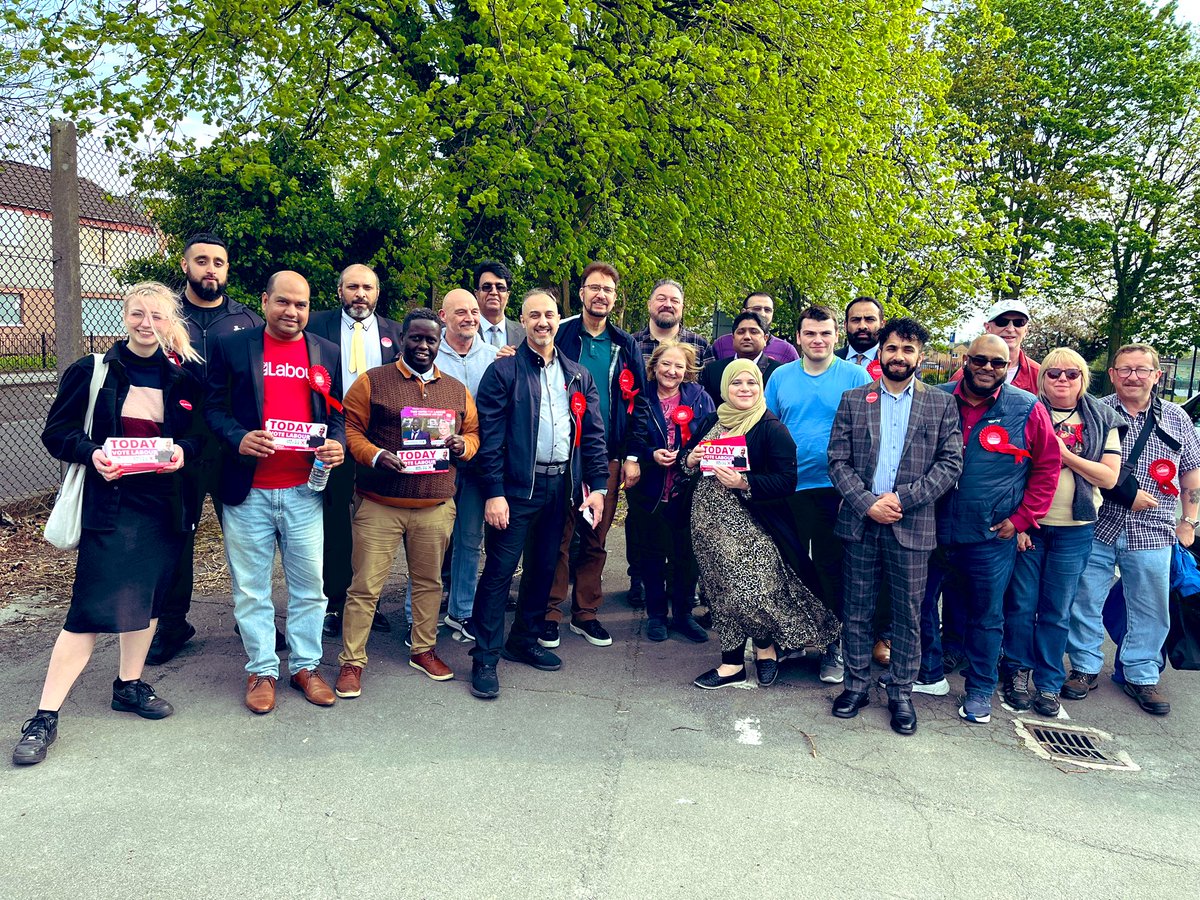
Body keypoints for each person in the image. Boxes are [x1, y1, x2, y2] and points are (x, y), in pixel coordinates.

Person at [13, 283, 202, 766]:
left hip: (164, 508)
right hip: (111, 506)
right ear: (124, 317)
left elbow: (201, 437)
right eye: (137, 314)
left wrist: (183, 452)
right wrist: (93, 454)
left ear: (169, 322)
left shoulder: (182, 377)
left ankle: (129, 685)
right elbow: (57, 432)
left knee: (149, 599)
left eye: (156, 316)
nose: (146, 323)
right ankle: (44, 715)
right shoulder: (92, 370)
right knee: (88, 612)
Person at [205, 271, 346, 714]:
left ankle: (305, 666)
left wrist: (337, 442)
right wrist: (238, 437)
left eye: (301, 305)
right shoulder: (231, 347)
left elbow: (337, 412)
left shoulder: (326, 352)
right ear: (264, 301)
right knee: (252, 589)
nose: (292, 312)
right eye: (283, 302)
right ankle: (262, 669)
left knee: (310, 589)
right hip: (249, 492)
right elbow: (212, 408)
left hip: (305, 490)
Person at [467, 289, 608, 700]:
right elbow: (490, 438)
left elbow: (593, 437)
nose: (543, 322)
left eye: (549, 314)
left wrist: (597, 487)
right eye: (534, 315)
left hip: (559, 487)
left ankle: (522, 640)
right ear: (523, 320)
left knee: (544, 568)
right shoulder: (504, 372)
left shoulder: (577, 374)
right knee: (498, 574)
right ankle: (485, 657)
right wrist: (494, 493)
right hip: (514, 490)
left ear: (559, 318)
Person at [333, 309, 480, 698]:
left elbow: (473, 432)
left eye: (431, 340)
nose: (423, 346)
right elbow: (350, 429)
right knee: (364, 587)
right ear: (402, 338)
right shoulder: (372, 382)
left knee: (428, 584)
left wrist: (463, 446)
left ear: (440, 342)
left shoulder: (454, 389)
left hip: (434, 506)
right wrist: (376, 455)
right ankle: (351, 662)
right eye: (416, 338)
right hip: (380, 503)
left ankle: (423, 650)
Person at [827, 318, 962, 735]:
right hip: (861, 522)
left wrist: (901, 500)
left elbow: (950, 464)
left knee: (908, 614)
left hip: (912, 523)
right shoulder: (854, 399)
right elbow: (837, 461)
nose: (899, 356)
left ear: (920, 356)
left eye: (908, 350)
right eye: (892, 348)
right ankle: (855, 685)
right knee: (858, 610)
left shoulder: (940, 404)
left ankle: (901, 691)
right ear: (879, 353)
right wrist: (868, 504)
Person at [923, 334, 1059, 725]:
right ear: (966, 360)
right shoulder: (936, 397)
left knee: (986, 615)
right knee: (920, 603)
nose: (987, 368)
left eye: (997, 363)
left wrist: (1021, 519)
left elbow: (1047, 467)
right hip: (932, 527)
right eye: (980, 360)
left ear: (1008, 366)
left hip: (988, 535)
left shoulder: (1026, 407)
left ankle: (980, 688)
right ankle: (930, 672)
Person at [680, 360, 840, 689]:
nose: (744, 389)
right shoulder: (714, 419)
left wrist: (743, 483)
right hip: (707, 528)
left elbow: (786, 481)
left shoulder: (770, 428)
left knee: (751, 595)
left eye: (751, 383)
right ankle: (732, 664)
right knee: (720, 594)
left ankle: (766, 647)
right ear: (725, 388)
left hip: (751, 527)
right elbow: (687, 461)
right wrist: (690, 459)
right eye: (736, 383)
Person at [1064, 344, 1200, 716]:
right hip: (1097, 523)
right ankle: (1084, 667)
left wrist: (1189, 521)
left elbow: (1190, 471)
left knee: (1151, 606)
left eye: (1141, 370)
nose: (1132, 376)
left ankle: (1141, 674)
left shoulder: (1177, 419)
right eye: (1124, 369)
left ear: (1157, 375)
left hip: (1154, 529)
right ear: (1112, 374)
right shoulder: (1095, 411)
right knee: (1085, 598)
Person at [149, 232, 263, 665]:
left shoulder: (248, 321)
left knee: (247, 537)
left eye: (218, 262)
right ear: (185, 266)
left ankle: (250, 618)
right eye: (201, 261)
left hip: (233, 445)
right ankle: (173, 623)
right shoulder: (164, 318)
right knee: (179, 535)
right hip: (181, 448)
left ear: (227, 269)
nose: (210, 269)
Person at [998, 349, 1125, 717]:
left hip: (1075, 530)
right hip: (1031, 527)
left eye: (1071, 374)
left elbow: (1109, 477)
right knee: (1021, 605)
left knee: (1057, 610)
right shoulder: (1023, 410)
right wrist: (1019, 520)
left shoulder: (1102, 418)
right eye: (1054, 374)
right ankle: (1018, 673)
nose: (1062, 381)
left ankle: (1049, 682)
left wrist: (1062, 455)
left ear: (1083, 378)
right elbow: (1007, 473)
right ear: (1042, 379)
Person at [540, 262, 648, 649]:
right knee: (559, 535)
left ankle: (585, 614)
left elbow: (641, 403)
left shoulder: (625, 344)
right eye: (594, 288)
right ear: (582, 293)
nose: (601, 295)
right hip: (563, 449)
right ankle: (550, 613)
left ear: (615, 299)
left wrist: (633, 453)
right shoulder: (562, 333)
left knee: (595, 536)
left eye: (608, 290)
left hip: (608, 452)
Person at [764, 305, 871, 682]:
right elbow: (767, 427)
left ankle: (833, 647)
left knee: (831, 569)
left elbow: (867, 436)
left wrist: (857, 488)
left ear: (836, 336)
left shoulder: (855, 375)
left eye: (825, 333)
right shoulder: (779, 377)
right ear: (798, 337)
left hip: (836, 491)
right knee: (790, 567)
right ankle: (793, 637)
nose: (818, 340)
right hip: (788, 487)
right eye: (810, 333)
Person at [308, 264, 403, 639]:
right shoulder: (315, 326)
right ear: (339, 291)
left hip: (378, 442)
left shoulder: (394, 332)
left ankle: (369, 600)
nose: (360, 294)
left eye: (367, 287)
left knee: (374, 525)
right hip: (331, 437)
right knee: (334, 524)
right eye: (352, 287)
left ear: (378, 293)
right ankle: (335, 601)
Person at [627, 341, 715, 642]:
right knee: (651, 554)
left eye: (679, 366)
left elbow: (710, 437)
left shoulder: (699, 398)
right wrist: (650, 454)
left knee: (685, 556)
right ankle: (656, 615)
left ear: (687, 370)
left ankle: (682, 614)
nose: (672, 371)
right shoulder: (641, 396)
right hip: (650, 488)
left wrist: (686, 456)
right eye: (666, 364)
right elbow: (630, 435)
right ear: (654, 366)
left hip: (687, 490)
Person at [435, 288, 506, 642]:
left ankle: (461, 612)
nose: (470, 318)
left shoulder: (496, 357)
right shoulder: (429, 354)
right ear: (443, 315)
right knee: (430, 538)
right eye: (460, 311)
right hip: (434, 461)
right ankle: (419, 614)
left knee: (468, 539)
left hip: (478, 462)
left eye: (474, 312)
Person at [950, 300, 1039, 392]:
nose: (1010, 329)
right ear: (988, 328)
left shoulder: (1040, 377)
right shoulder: (962, 377)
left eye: (1019, 322)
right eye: (1002, 322)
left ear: (1026, 330)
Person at [698, 311, 783, 405]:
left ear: (765, 338)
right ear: (733, 338)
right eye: (741, 332)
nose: (747, 337)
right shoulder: (713, 370)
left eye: (754, 332)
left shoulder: (778, 372)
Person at [704, 293, 799, 364]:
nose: (762, 314)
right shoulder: (721, 344)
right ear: (743, 312)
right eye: (757, 309)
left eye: (767, 310)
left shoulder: (786, 350)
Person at [475, 260, 524, 348]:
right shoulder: (464, 331)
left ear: (508, 295)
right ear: (477, 293)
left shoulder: (525, 333)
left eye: (500, 287)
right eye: (487, 287)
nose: (494, 292)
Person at [834, 296, 885, 368]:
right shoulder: (829, 361)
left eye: (870, 319)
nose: (862, 326)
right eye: (855, 320)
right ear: (845, 325)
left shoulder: (891, 362)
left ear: (882, 325)